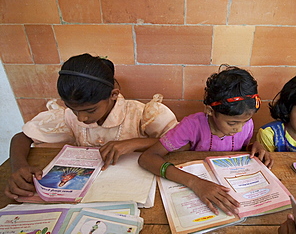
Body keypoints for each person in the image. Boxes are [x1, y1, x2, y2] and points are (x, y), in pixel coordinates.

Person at [5, 53, 178, 200]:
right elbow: (22, 137)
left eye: (90, 110)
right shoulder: (68, 117)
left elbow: (182, 141)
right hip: (88, 194)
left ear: (113, 95)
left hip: (136, 191)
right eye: (73, 110)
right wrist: (20, 167)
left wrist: (134, 143)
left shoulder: (142, 114)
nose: (81, 118)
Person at [139, 65, 273, 216]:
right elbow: (147, 158)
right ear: (210, 111)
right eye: (232, 123)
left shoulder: (246, 124)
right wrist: (195, 183)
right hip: (197, 187)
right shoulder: (191, 125)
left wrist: (254, 146)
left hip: (232, 189)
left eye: (246, 121)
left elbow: (239, 147)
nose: (240, 129)